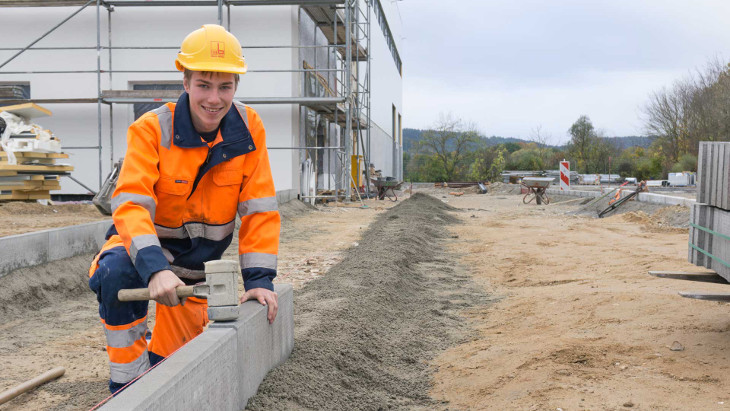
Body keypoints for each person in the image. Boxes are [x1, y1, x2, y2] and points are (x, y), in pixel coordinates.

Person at [88, 24, 280, 394]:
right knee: (114, 274)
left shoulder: (249, 129)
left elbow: (259, 209)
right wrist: (155, 269)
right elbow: (131, 204)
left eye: (225, 87)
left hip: (198, 269)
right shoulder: (151, 130)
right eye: (204, 85)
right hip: (145, 254)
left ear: (236, 86)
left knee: (177, 374)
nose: (214, 99)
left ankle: (156, 375)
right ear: (186, 81)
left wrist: (258, 281)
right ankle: (126, 389)